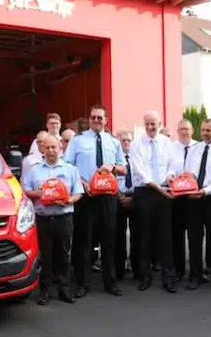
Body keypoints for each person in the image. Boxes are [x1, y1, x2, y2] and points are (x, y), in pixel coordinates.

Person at [64, 104, 127, 298]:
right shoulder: (78, 141)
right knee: (85, 241)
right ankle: (83, 283)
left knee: (110, 240)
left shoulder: (114, 142)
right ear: (89, 120)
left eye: (100, 118)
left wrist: (112, 166)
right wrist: (82, 183)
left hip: (108, 197)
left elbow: (124, 169)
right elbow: (68, 166)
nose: (97, 120)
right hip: (87, 197)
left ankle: (110, 282)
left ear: (106, 120)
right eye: (93, 117)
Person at [22, 135, 84, 305]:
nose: (50, 150)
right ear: (42, 150)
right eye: (47, 147)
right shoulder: (34, 170)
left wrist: (69, 200)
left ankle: (64, 289)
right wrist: (39, 194)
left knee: (64, 255)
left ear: (60, 149)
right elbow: (25, 190)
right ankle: (45, 291)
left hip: (64, 217)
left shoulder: (71, 169)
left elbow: (78, 192)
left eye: (53, 147)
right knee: (46, 257)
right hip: (43, 219)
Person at [175, 118, 211, 290]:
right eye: (203, 130)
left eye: (209, 130)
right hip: (193, 199)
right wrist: (190, 188)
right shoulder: (194, 149)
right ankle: (195, 275)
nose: (205, 133)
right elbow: (188, 171)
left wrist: (205, 191)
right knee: (194, 239)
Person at [130, 111, 177, 293]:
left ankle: (168, 278)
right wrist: (159, 188)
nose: (151, 127)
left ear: (160, 123)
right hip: (145, 191)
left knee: (166, 236)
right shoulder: (136, 145)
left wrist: (170, 176)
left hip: (165, 191)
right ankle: (145, 276)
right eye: (147, 124)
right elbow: (141, 171)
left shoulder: (167, 143)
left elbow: (172, 165)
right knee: (145, 236)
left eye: (154, 124)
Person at [170, 119, 198, 282]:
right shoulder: (171, 148)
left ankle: (196, 271)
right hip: (176, 197)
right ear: (177, 131)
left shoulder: (198, 147)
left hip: (193, 197)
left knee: (194, 236)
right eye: (181, 129)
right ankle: (178, 270)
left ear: (192, 130)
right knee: (176, 235)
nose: (184, 132)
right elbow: (167, 166)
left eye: (187, 129)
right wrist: (170, 176)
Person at [114, 128, 138, 280]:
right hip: (118, 198)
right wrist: (120, 197)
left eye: (129, 140)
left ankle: (136, 267)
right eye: (123, 140)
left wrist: (133, 198)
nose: (127, 143)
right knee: (118, 235)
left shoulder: (137, 158)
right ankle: (119, 268)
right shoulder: (115, 161)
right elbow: (110, 180)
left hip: (136, 198)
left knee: (137, 235)